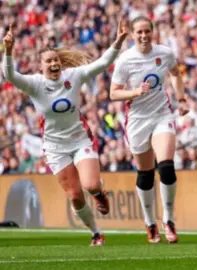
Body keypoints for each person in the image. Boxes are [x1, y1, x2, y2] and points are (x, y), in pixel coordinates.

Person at [2, 21, 128, 246]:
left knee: (90, 185)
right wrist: (9, 52)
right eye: (48, 61)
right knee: (76, 196)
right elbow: (10, 75)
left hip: (79, 139)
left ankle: (99, 193)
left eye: (55, 60)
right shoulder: (35, 84)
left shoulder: (74, 76)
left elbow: (103, 63)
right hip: (55, 147)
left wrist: (118, 42)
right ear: (40, 66)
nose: (53, 63)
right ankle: (96, 233)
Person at [110, 16, 188, 244]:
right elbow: (114, 93)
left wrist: (181, 99)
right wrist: (135, 92)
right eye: (139, 32)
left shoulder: (164, 53)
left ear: (152, 32)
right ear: (132, 35)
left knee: (166, 167)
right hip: (137, 120)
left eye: (147, 31)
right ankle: (149, 222)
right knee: (145, 173)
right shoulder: (125, 60)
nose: (143, 36)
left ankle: (169, 220)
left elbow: (175, 74)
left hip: (162, 114)